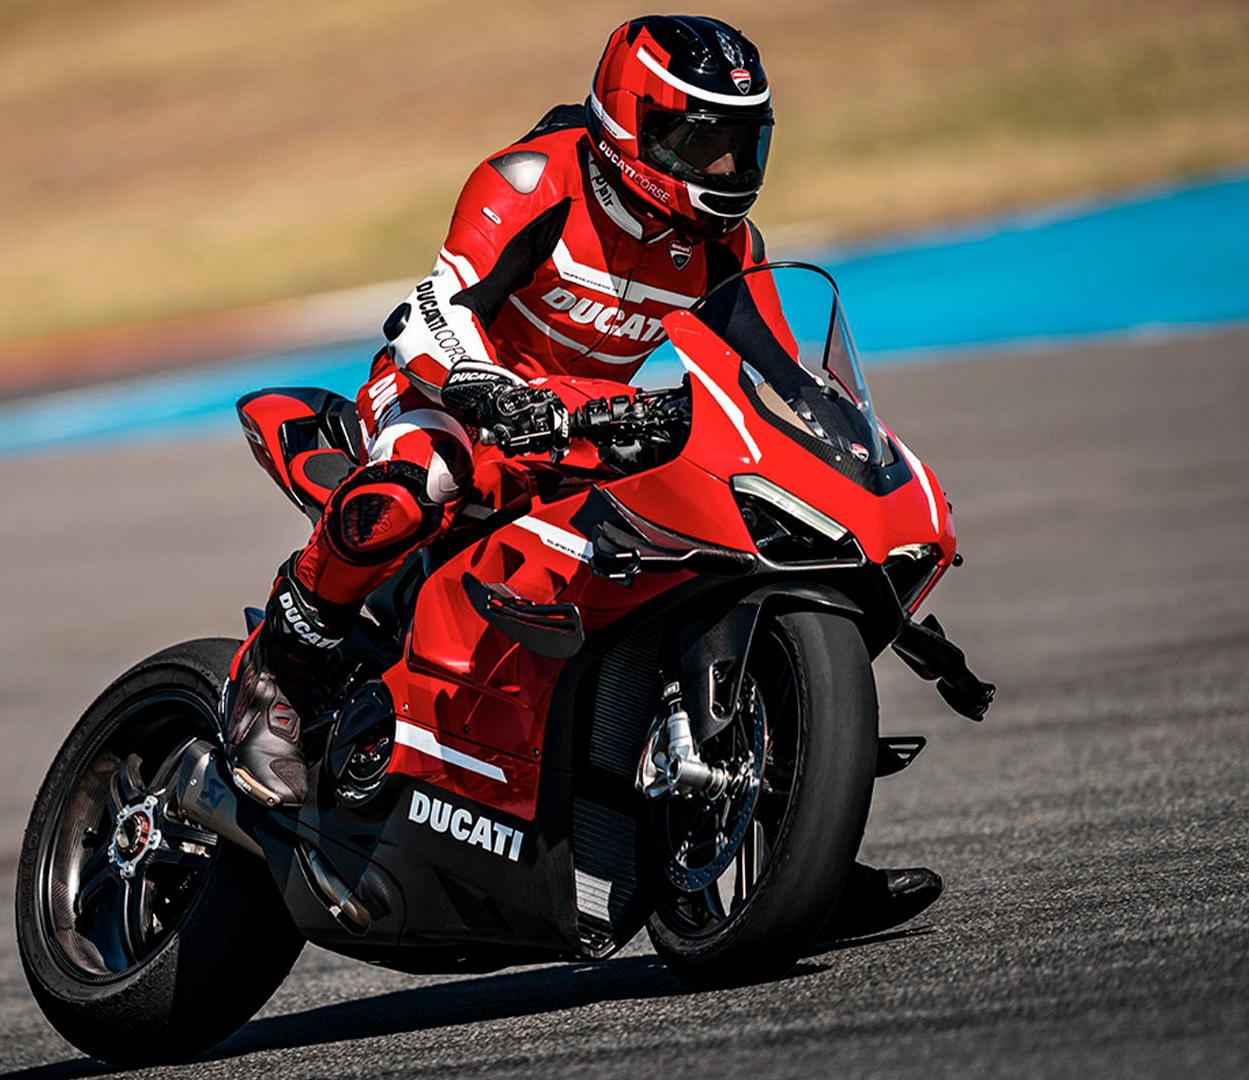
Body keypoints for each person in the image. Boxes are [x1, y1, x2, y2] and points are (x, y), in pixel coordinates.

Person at [224, 14, 942, 938]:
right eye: (699, 140)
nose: (724, 170)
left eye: (741, 143)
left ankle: (790, 841)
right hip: (443, 396)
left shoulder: (728, 247)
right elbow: (431, 310)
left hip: (579, 432)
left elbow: (782, 383)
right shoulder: (536, 180)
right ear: (629, 121)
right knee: (425, 475)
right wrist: (490, 394)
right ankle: (276, 673)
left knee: (698, 550)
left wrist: (863, 470)